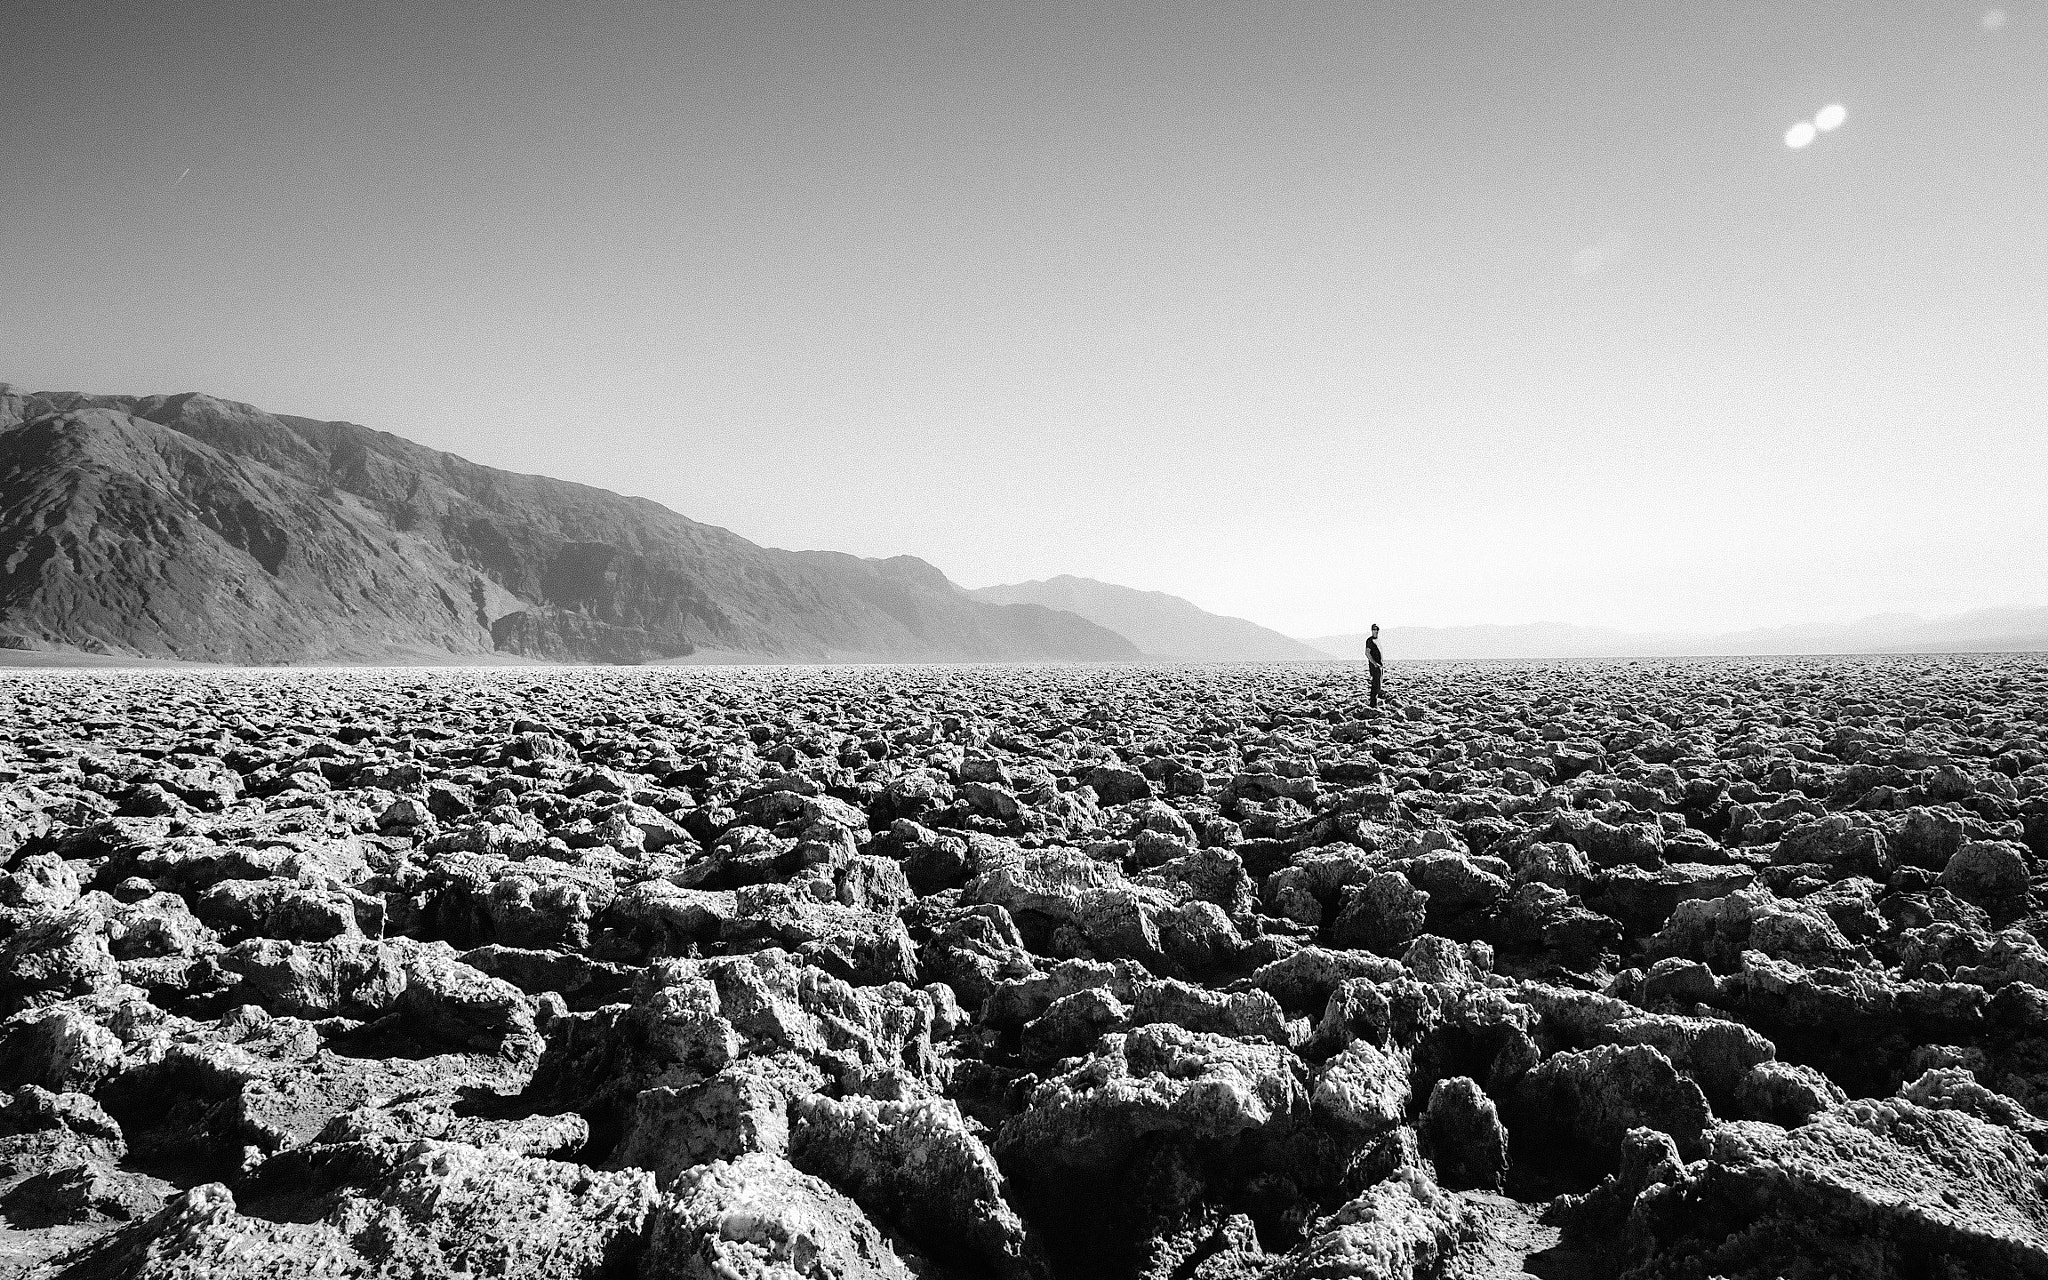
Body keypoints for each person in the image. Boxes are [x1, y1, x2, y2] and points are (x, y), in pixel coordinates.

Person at [1366, 623, 1385, 708]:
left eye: (1377, 629)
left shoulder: (1378, 640)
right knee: (1375, 685)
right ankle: (1373, 704)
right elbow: (1367, 653)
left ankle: (1375, 703)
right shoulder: (1370, 640)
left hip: (1380, 666)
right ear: (1371, 630)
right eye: (1374, 629)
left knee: (1379, 685)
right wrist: (1374, 664)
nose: (1375, 631)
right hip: (1375, 667)